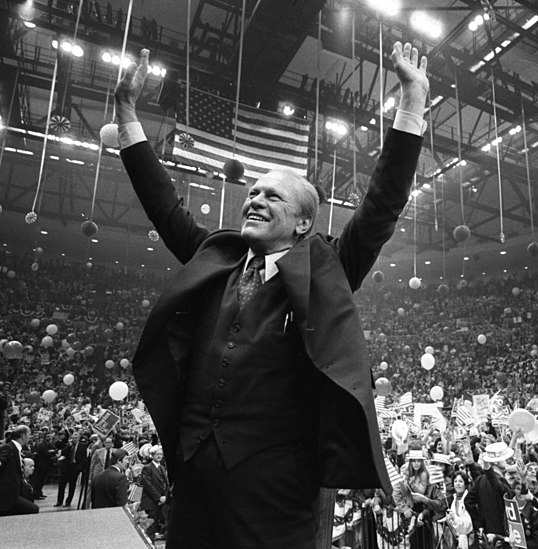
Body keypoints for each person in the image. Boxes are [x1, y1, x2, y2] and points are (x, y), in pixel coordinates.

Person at [112, 39, 428, 548]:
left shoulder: (329, 269)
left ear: (304, 222)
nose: (254, 200)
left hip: (277, 491)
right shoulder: (217, 259)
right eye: (252, 192)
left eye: (271, 195)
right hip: (193, 475)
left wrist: (412, 101)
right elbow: (162, 204)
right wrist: (127, 112)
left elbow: (383, 203)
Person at [0, 424, 39, 516]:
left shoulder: (17, 449)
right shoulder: (9, 448)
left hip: (17, 491)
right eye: (29, 434)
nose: (30, 437)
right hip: (7, 495)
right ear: (23, 436)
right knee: (34, 509)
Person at [140, 445, 170, 542]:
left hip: (162, 502)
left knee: (157, 526)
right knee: (150, 529)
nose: (159, 456)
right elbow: (148, 485)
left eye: (161, 454)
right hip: (151, 502)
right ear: (152, 455)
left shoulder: (162, 467)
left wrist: (165, 496)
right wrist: (159, 497)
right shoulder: (147, 468)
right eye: (157, 454)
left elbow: (166, 484)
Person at [55, 430, 88, 508]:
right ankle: (59, 501)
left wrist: (80, 468)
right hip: (66, 467)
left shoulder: (83, 445)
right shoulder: (68, 445)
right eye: (73, 438)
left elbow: (84, 458)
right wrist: (69, 446)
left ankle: (68, 502)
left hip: (75, 467)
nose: (74, 439)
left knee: (72, 486)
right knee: (61, 485)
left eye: (76, 438)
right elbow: (63, 452)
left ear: (79, 438)